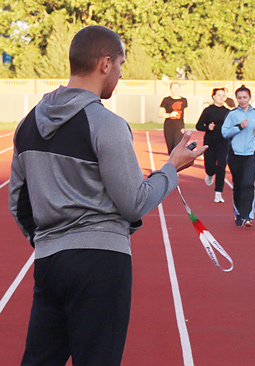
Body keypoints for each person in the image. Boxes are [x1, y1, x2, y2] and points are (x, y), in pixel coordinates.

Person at [8, 25, 206, 366]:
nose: (120, 73)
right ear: (105, 63)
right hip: (100, 261)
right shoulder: (105, 123)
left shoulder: (28, 124)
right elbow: (135, 202)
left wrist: (50, 240)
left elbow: (17, 201)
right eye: (121, 65)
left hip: (50, 260)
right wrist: (173, 166)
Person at [221, 85, 255, 227]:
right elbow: (225, 133)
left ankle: (248, 216)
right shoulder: (232, 114)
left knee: (248, 184)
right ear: (237, 99)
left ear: (249, 98)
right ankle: (239, 213)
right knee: (238, 184)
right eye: (239, 98)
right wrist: (239, 127)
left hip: (251, 154)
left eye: (245, 97)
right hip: (235, 154)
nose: (242, 100)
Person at [196, 87, 231, 203]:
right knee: (210, 167)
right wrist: (207, 127)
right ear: (214, 97)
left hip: (224, 142)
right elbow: (198, 125)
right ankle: (210, 174)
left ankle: (218, 193)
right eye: (219, 95)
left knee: (221, 167)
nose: (221, 97)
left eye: (223, 95)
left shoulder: (228, 112)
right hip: (210, 141)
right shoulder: (208, 110)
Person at [158, 81, 189, 154]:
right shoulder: (166, 100)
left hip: (179, 126)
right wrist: (169, 115)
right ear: (170, 89)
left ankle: (177, 164)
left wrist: (183, 126)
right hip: (169, 126)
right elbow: (160, 114)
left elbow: (186, 113)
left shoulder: (184, 100)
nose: (176, 90)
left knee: (177, 146)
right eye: (174, 88)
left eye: (177, 88)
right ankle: (171, 162)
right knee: (170, 148)